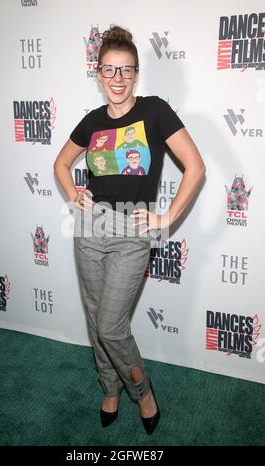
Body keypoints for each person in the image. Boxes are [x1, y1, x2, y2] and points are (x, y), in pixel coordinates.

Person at [54, 25, 205, 435]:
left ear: (136, 73)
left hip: (133, 231)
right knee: (94, 317)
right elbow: (60, 164)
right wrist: (72, 193)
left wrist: (166, 216)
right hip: (89, 227)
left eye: (125, 70)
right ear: (97, 73)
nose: (117, 79)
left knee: (111, 326)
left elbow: (196, 167)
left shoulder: (155, 111)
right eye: (108, 70)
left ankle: (142, 392)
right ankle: (109, 387)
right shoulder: (92, 120)